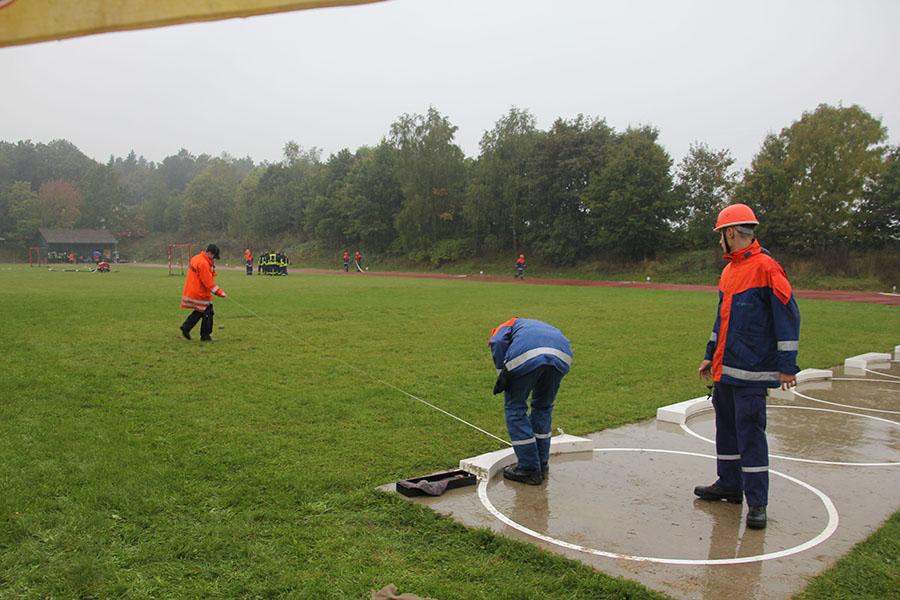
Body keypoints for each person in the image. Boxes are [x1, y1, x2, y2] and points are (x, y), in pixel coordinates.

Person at [695, 203, 800, 530]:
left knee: (750, 435)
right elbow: (720, 319)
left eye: (720, 236)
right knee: (725, 430)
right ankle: (729, 485)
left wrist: (787, 366)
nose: (719, 243)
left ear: (730, 233)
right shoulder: (728, 271)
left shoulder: (767, 268)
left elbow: (788, 316)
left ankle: (758, 503)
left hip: (752, 372)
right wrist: (710, 354)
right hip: (725, 369)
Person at [489, 318, 573, 485]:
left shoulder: (504, 326)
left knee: (515, 408)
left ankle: (528, 468)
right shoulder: (530, 325)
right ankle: (541, 463)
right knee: (543, 407)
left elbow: (497, 341)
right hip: (563, 357)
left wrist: (501, 373)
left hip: (527, 356)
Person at [180, 244, 226, 342]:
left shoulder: (196, 258)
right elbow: (208, 282)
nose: (214, 259)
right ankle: (205, 336)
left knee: (200, 311)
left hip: (192, 289)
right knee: (208, 312)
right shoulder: (204, 263)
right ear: (210, 253)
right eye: (214, 257)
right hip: (200, 292)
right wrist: (220, 292)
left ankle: (186, 327)